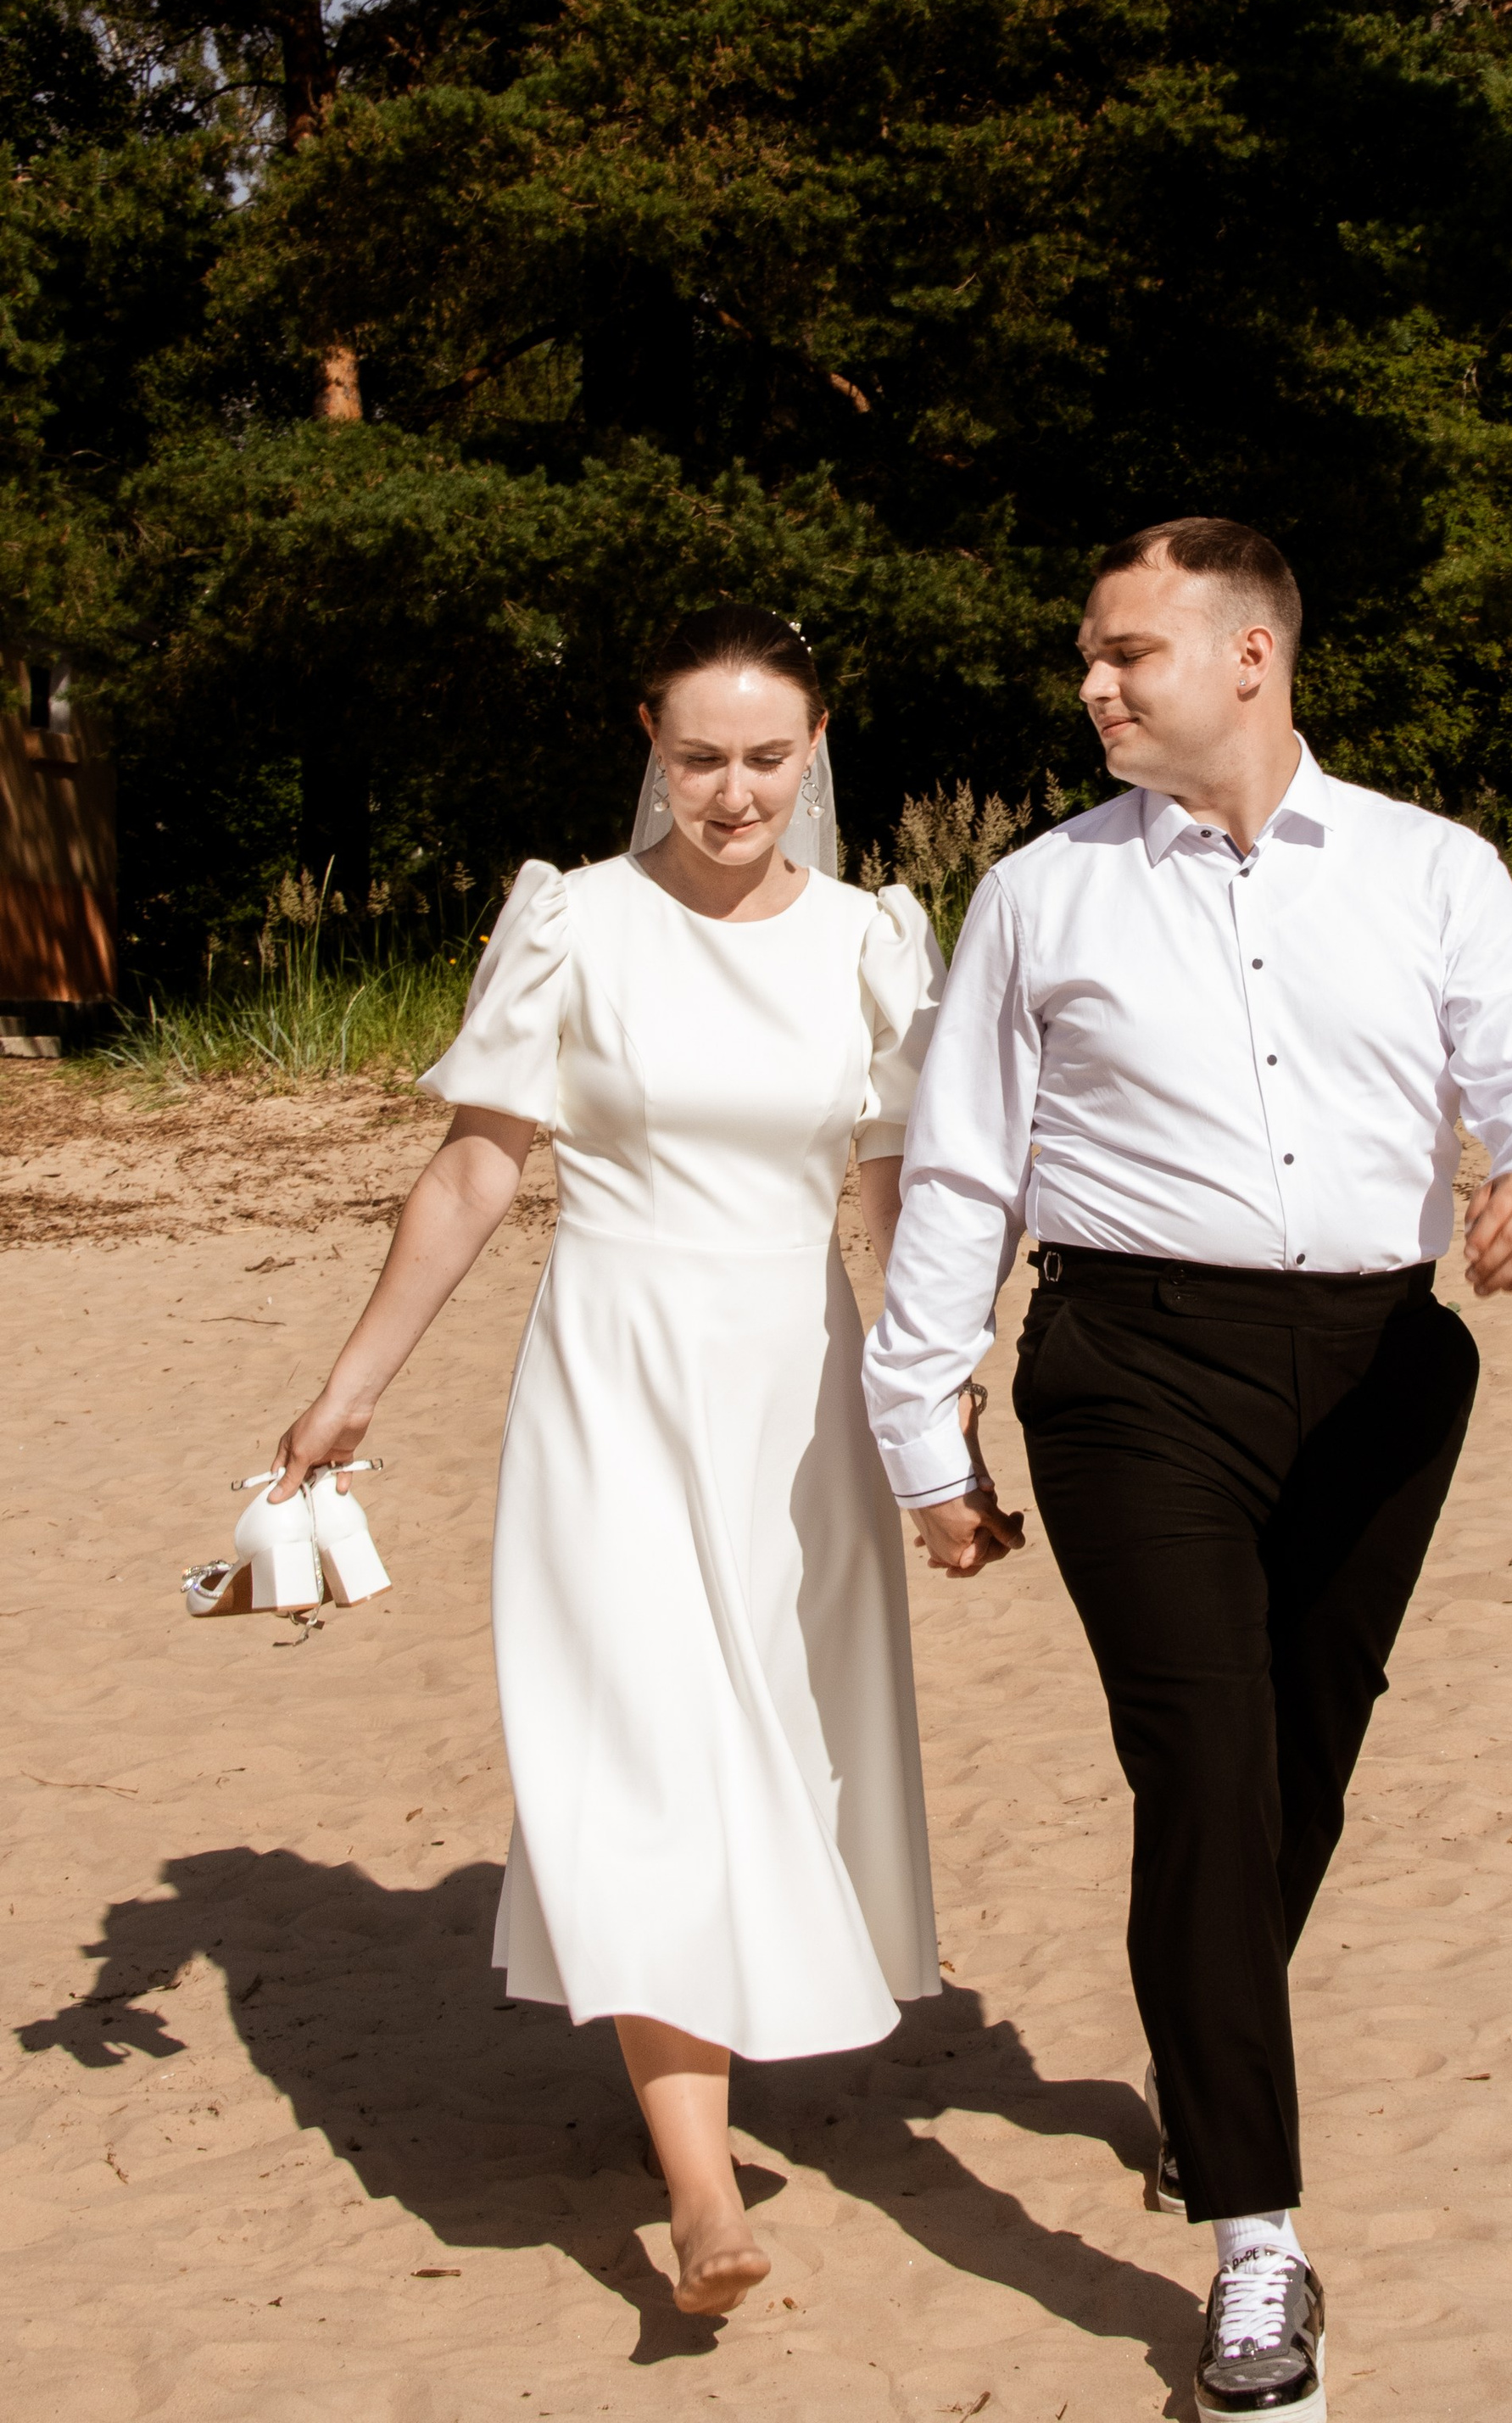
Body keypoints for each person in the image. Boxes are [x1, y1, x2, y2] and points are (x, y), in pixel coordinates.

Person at [862, 518, 1512, 2418]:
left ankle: (1207, 2058)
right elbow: (961, 1168)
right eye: (1088, 657)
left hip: (1379, 1364)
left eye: (1124, 651)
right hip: (1129, 1367)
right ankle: (1254, 2238)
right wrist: (920, 1425)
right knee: (1200, 1765)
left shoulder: (1429, 868)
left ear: (1251, 657)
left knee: (1298, 1764)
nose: (1094, 684)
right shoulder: (1039, 893)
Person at [271, 603, 989, 2317]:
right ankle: (695, 2184)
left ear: (812, 752)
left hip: (796, 1382)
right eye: (696, 758)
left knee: (768, 1736)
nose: (730, 793)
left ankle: (707, 2085)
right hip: (609, 1372)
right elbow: (474, 1166)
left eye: (763, 759)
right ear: (647, 746)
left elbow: (895, 1203)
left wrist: (933, 1423)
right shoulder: (572, 922)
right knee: (651, 1740)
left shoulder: (876, 941)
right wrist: (352, 1383)